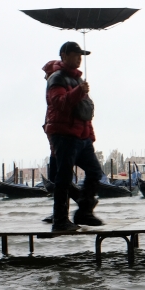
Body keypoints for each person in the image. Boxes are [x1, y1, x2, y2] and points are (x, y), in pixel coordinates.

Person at [44, 41, 104, 231]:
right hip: (64, 135)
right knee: (63, 177)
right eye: (76, 54)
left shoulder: (78, 81)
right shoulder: (57, 78)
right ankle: (60, 220)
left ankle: (84, 211)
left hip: (82, 136)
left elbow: (85, 112)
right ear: (64, 55)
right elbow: (58, 102)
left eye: (81, 55)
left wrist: (90, 136)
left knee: (95, 171)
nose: (79, 58)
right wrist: (80, 91)